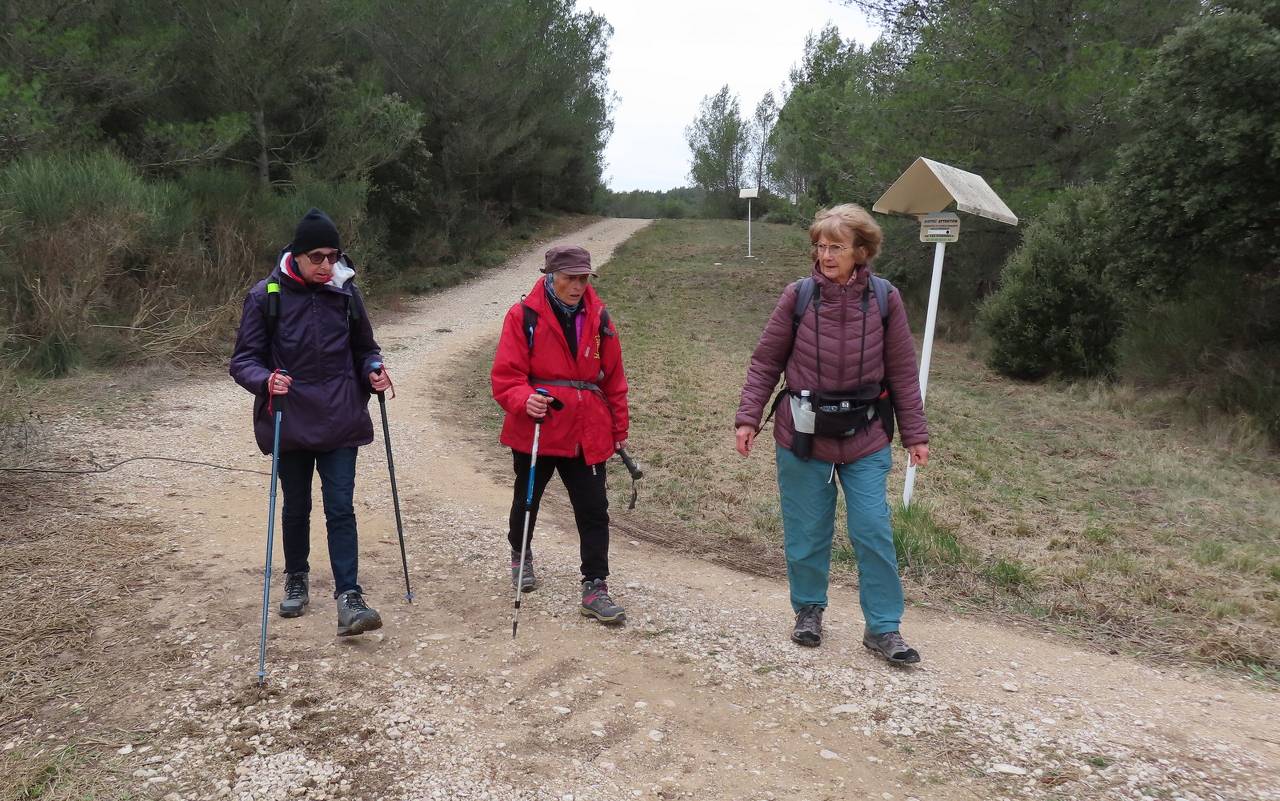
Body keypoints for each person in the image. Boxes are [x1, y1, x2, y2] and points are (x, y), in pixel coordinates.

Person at [734, 204, 930, 664]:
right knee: (806, 531)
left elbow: (902, 371)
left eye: (836, 246)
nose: (825, 254)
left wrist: (915, 434)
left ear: (861, 251)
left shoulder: (884, 299)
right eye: (820, 246)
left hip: (866, 434)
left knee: (872, 529)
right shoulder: (798, 296)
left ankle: (883, 628)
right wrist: (748, 418)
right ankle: (808, 610)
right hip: (804, 433)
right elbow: (766, 361)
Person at [230, 208, 392, 637]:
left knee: (341, 506)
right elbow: (243, 361)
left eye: (332, 256)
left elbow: (365, 348)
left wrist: (373, 368)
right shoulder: (266, 296)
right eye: (317, 257)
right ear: (297, 256)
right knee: (296, 504)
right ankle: (296, 577)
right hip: (290, 416)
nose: (326, 265)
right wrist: (265, 379)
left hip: (340, 416)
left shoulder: (346, 294)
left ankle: (349, 597)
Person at [490, 245, 630, 624]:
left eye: (584, 278)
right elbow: (506, 376)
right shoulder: (523, 317)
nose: (577, 286)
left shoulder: (600, 318)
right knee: (528, 499)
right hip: (538, 426)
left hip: (587, 429)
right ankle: (521, 555)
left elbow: (614, 379)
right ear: (550, 275)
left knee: (593, 508)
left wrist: (619, 428)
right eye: (570, 278)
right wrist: (524, 399)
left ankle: (595, 585)